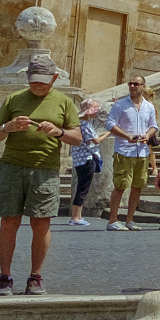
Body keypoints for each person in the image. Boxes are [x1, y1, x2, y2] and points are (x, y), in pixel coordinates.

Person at [0, 57, 83, 296]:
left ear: (54, 78)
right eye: (33, 81)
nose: (38, 86)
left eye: (43, 81)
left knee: (41, 223)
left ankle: (35, 276)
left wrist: (58, 131)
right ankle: (5, 276)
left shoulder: (64, 102)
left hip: (45, 170)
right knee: (9, 221)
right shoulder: (14, 99)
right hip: (12, 167)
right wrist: (8, 127)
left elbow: (77, 138)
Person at [106, 76, 158, 231]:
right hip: (124, 150)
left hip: (142, 152)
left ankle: (130, 219)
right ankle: (112, 220)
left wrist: (148, 135)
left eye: (136, 84)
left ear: (143, 86)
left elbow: (154, 126)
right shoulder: (120, 105)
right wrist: (126, 136)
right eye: (130, 83)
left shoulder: (149, 107)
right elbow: (109, 124)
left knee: (138, 186)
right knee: (120, 186)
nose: (132, 86)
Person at [67, 96, 109, 228]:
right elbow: (95, 141)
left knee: (82, 188)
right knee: (83, 189)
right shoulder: (85, 125)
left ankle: (77, 215)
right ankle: (75, 216)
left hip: (82, 160)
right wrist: (108, 133)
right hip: (86, 159)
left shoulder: (82, 124)